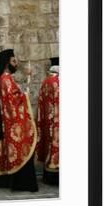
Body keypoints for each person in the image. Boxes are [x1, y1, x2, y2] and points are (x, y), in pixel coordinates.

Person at [0, 49, 38, 192]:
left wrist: (25, 85)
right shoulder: (6, 79)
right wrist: (24, 95)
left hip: (4, 120)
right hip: (9, 120)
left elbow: (14, 96)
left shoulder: (5, 78)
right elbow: (13, 100)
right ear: (7, 63)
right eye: (14, 61)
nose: (16, 63)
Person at [36, 57, 60, 185]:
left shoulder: (46, 81)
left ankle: (48, 175)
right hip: (56, 121)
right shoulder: (58, 81)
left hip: (47, 121)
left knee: (49, 146)